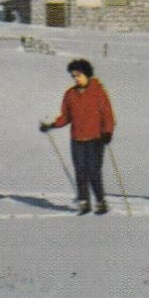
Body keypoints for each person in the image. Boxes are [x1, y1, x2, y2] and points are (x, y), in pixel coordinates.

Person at [40, 58, 116, 216]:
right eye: (73, 75)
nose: (76, 78)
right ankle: (84, 202)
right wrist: (51, 125)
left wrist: (108, 132)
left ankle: (101, 202)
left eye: (79, 75)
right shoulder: (70, 94)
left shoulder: (98, 92)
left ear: (87, 74)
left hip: (96, 138)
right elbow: (66, 117)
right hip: (77, 139)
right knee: (80, 171)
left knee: (93, 170)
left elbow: (107, 115)